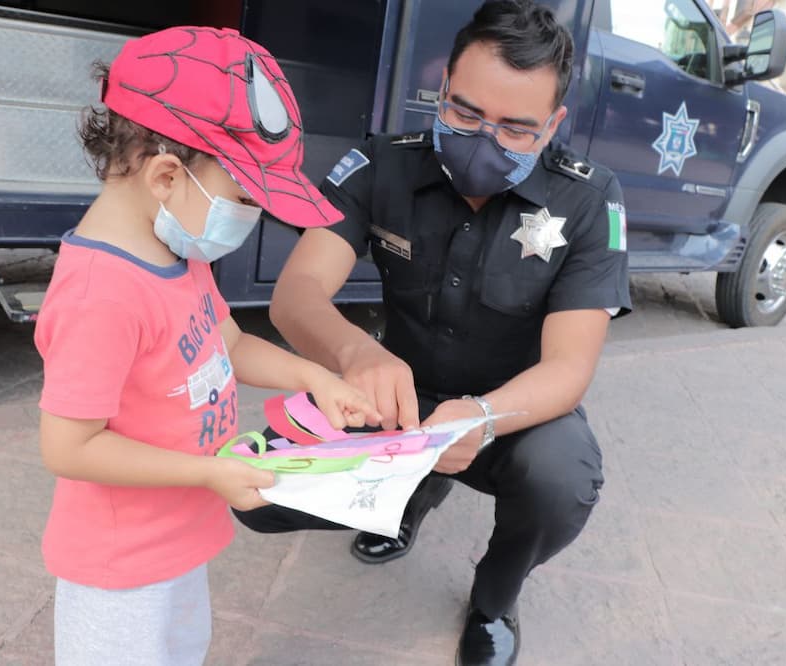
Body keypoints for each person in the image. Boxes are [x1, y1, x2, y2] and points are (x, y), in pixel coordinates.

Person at [233, 2, 631, 664]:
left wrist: (480, 416)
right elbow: (295, 295)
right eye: (466, 113)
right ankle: (405, 498)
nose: (484, 139)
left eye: (515, 130)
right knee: (259, 488)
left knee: (560, 480)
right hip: (394, 400)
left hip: (510, 414)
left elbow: (568, 367)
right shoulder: (381, 164)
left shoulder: (588, 200)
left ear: (555, 124)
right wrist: (356, 354)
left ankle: (495, 601)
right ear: (443, 85)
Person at [33, 26, 379, 665]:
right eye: (244, 197)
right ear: (166, 175)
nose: (248, 219)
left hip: (179, 538)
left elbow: (230, 343)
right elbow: (68, 445)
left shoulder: (174, 246)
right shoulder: (101, 295)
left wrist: (315, 378)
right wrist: (209, 472)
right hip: (120, 569)